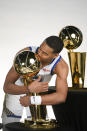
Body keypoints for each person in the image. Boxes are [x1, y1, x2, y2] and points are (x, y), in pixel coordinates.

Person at [2, 36, 69, 125]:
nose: (39, 54)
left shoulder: (61, 66)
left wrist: (32, 100)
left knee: (38, 125)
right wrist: (28, 89)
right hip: (17, 90)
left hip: (37, 94)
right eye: (40, 49)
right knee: (9, 124)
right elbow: (6, 86)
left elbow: (61, 96)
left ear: (55, 55)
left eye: (44, 53)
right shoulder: (25, 54)